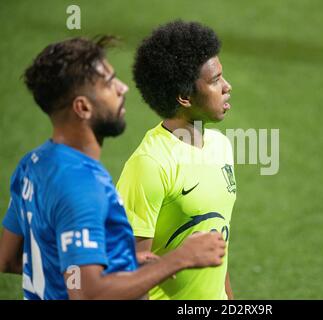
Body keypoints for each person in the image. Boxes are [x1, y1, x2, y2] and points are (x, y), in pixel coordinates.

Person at [0, 36, 226, 300]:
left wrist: (118, 266)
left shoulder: (33, 164)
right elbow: (90, 294)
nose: (123, 89)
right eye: (109, 84)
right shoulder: (84, 188)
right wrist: (177, 259)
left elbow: (9, 259)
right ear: (83, 107)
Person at [116, 20, 236, 300]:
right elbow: (129, 271)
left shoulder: (221, 146)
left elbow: (218, 245)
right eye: (215, 80)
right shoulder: (150, 164)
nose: (227, 86)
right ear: (184, 96)